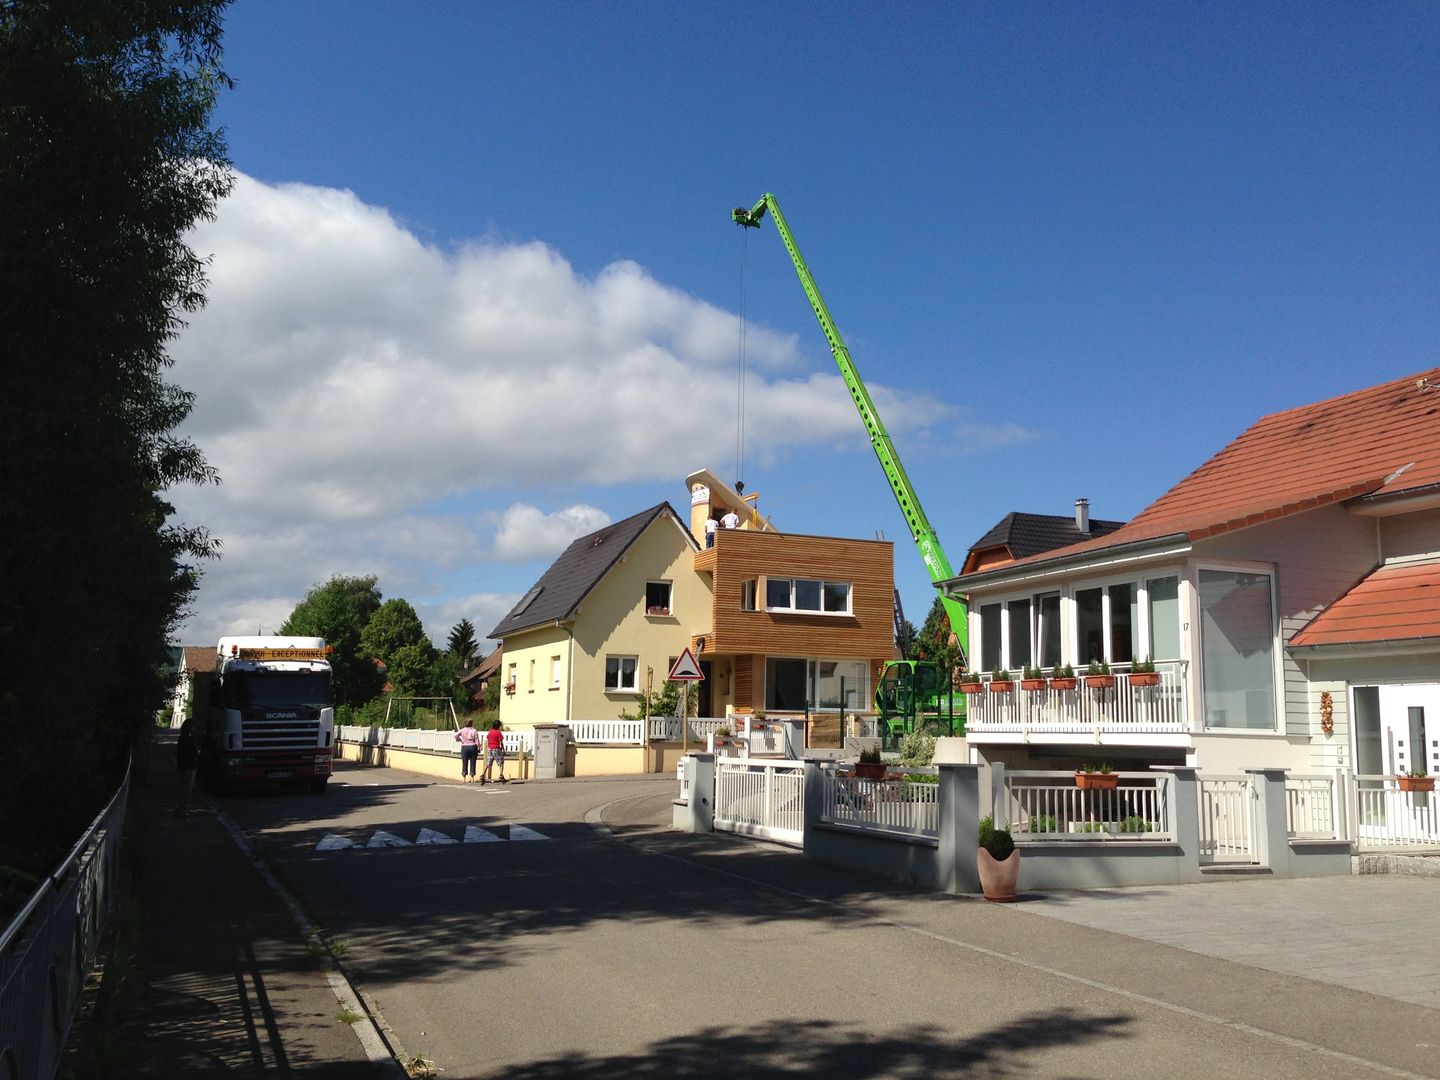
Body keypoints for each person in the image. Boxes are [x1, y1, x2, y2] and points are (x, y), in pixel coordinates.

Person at [175, 717, 198, 814]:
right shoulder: (190, 738)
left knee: (182, 787)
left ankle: (181, 807)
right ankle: (184, 810)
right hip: (190, 766)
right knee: (188, 788)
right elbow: (194, 752)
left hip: (181, 765)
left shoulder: (181, 738)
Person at [454, 716, 482, 782]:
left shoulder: (462, 730)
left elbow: (455, 735)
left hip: (464, 747)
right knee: (473, 762)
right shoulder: (474, 731)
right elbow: (477, 740)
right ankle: (472, 778)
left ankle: (464, 778)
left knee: (464, 762)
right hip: (472, 747)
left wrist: (461, 740)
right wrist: (479, 747)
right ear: (471, 724)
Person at [481, 719, 507, 784]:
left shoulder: (490, 732)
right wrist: (503, 749)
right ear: (498, 726)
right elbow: (501, 742)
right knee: (501, 762)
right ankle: (501, 774)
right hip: (496, 748)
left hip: (490, 749)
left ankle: (483, 774)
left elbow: (488, 738)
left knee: (488, 762)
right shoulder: (498, 732)